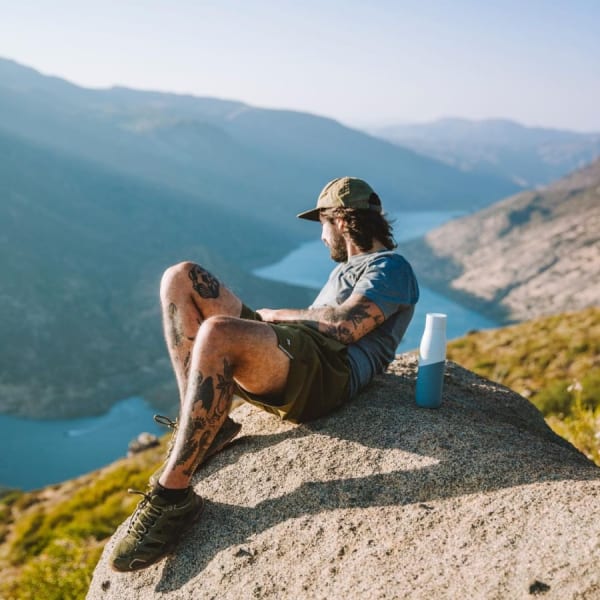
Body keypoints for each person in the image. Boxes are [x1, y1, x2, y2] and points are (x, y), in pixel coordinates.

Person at [110, 176, 419, 572]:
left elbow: (344, 328)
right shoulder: (350, 267)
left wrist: (278, 315)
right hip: (296, 356)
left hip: (328, 373)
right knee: (180, 276)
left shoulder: (391, 267)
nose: (323, 238)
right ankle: (209, 427)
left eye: (322, 225)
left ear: (340, 220)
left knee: (217, 332)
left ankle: (173, 496)